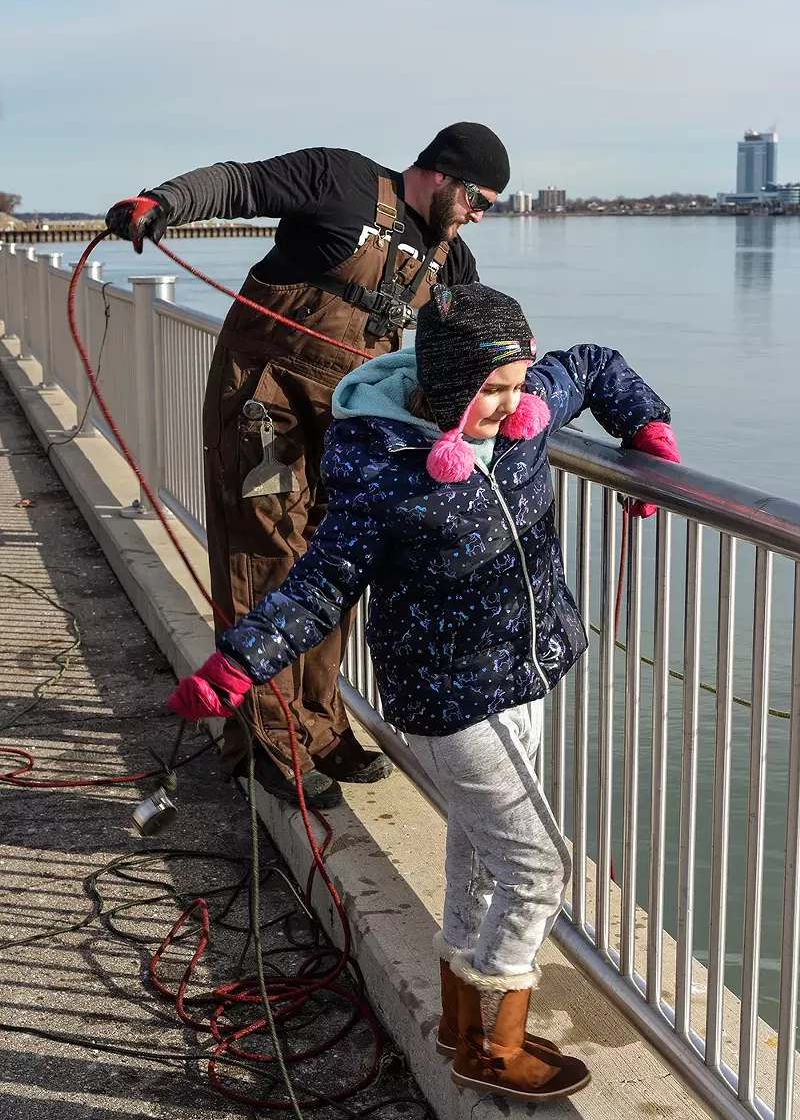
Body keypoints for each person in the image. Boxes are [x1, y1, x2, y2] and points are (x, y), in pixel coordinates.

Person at [167, 282, 680, 1102]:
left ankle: (458, 1021)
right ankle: (497, 1043)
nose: (512, 407)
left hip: (525, 675)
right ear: (442, 391)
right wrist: (236, 664)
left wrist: (646, 430)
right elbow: (319, 586)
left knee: (478, 849)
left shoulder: (523, 408)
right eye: (492, 391)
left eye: (516, 384)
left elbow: (589, 366)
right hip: (448, 700)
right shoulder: (381, 475)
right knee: (540, 865)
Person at [105, 123, 510, 809]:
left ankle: (320, 727)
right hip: (266, 408)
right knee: (267, 555)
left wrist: (525, 396)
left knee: (334, 564)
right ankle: (268, 742)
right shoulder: (341, 179)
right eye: (480, 200)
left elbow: (481, 333)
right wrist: (161, 202)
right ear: (442, 174)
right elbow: (239, 182)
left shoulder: (449, 257)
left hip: (349, 426)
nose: (480, 215)